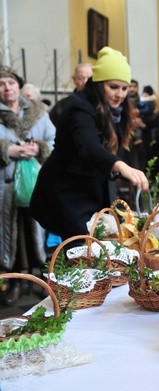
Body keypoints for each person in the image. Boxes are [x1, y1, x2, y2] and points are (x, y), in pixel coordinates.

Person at [30, 47, 148, 240]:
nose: (120, 94)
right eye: (114, 87)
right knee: (79, 252)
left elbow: (111, 149)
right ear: (99, 83)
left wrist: (123, 172)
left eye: (124, 88)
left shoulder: (117, 112)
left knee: (95, 251)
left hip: (91, 191)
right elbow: (88, 145)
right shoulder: (78, 107)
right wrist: (119, 165)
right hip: (67, 192)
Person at [0, 65, 55, 304]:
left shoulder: (38, 113)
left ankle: (41, 279)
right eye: (1, 84)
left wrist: (39, 148)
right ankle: (16, 281)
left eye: (11, 83)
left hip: (35, 183)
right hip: (6, 185)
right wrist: (7, 149)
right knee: (12, 232)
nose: (7, 88)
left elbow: (55, 140)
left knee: (38, 227)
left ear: (19, 86)